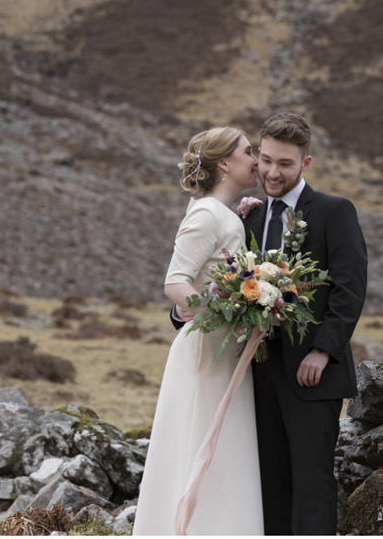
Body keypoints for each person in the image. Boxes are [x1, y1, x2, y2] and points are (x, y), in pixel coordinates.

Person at [239, 111, 367, 536]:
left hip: (313, 376)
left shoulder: (334, 211)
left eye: (285, 164)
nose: (272, 173)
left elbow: (350, 288)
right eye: (266, 160)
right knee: (269, 485)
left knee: (312, 483)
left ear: (305, 164)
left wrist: (323, 349)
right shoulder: (249, 219)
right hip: (258, 377)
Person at [135, 127, 265, 536]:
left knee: (225, 449)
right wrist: (223, 316)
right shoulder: (207, 212)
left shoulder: (224, 214)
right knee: (205, 446)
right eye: (249, 152)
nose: (256, 160)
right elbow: (176, 283)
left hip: (224, 351)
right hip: (207, 350)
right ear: (224, 162)